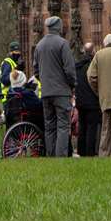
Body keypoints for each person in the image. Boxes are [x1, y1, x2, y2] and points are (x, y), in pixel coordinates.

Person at [33, 16, 75, 158]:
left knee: (49, 126)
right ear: (58, 27)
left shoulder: (39, 45)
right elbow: (69, 70)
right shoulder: (63, 44)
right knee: (63, 126)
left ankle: (50, 156)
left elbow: (36, 71)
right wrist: (72, 84)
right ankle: (61, 157)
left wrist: (45, 82)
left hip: (45, 93)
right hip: (61, 92)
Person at [74, 40, 101, 157]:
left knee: (82, 127)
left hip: (80, 101)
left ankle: (81, 151)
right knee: (91, 128)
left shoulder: (77, 66)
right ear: (92, 52)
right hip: (92, 101)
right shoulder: (93, 66)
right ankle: (90, 152)